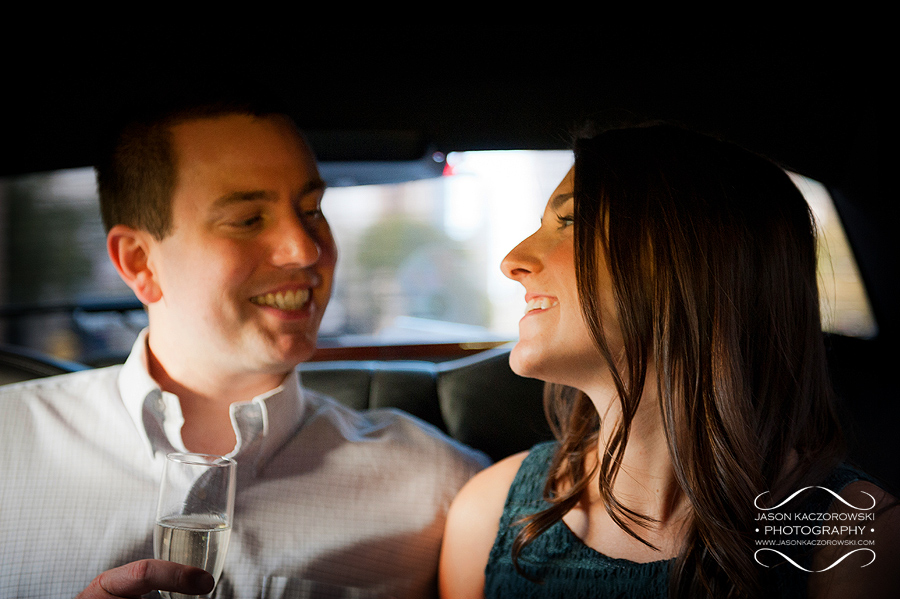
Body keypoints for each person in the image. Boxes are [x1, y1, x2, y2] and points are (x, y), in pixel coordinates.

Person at [0, 102, 489, 598]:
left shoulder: (443, 487)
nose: (305, 249)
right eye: (248, 219)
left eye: (311, 211)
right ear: (140, 262)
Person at [438, 123, 899, 598]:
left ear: (689, 260)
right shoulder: (488, 514)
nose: (512, 259)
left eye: (571, 221)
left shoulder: (849, 538)